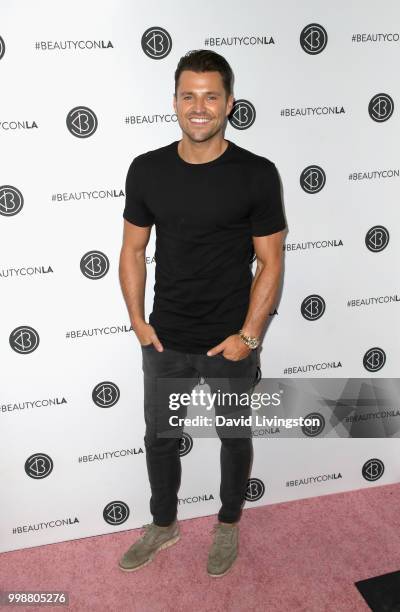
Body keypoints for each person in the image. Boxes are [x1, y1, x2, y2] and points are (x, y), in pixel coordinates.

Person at [118, 49, 286, 578]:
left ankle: (229, 524)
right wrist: (139, 323)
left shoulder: (256, 174)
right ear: (174, 102)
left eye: (210, 96)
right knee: (160, 439)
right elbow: (130, 251)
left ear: (229, 103)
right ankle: (163, 524)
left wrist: (249, 336)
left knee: (234, 438)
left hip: (229, 344)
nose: (199, 106)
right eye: (188, 95)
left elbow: (271, 261)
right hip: (165, 341)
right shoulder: (147, 169)